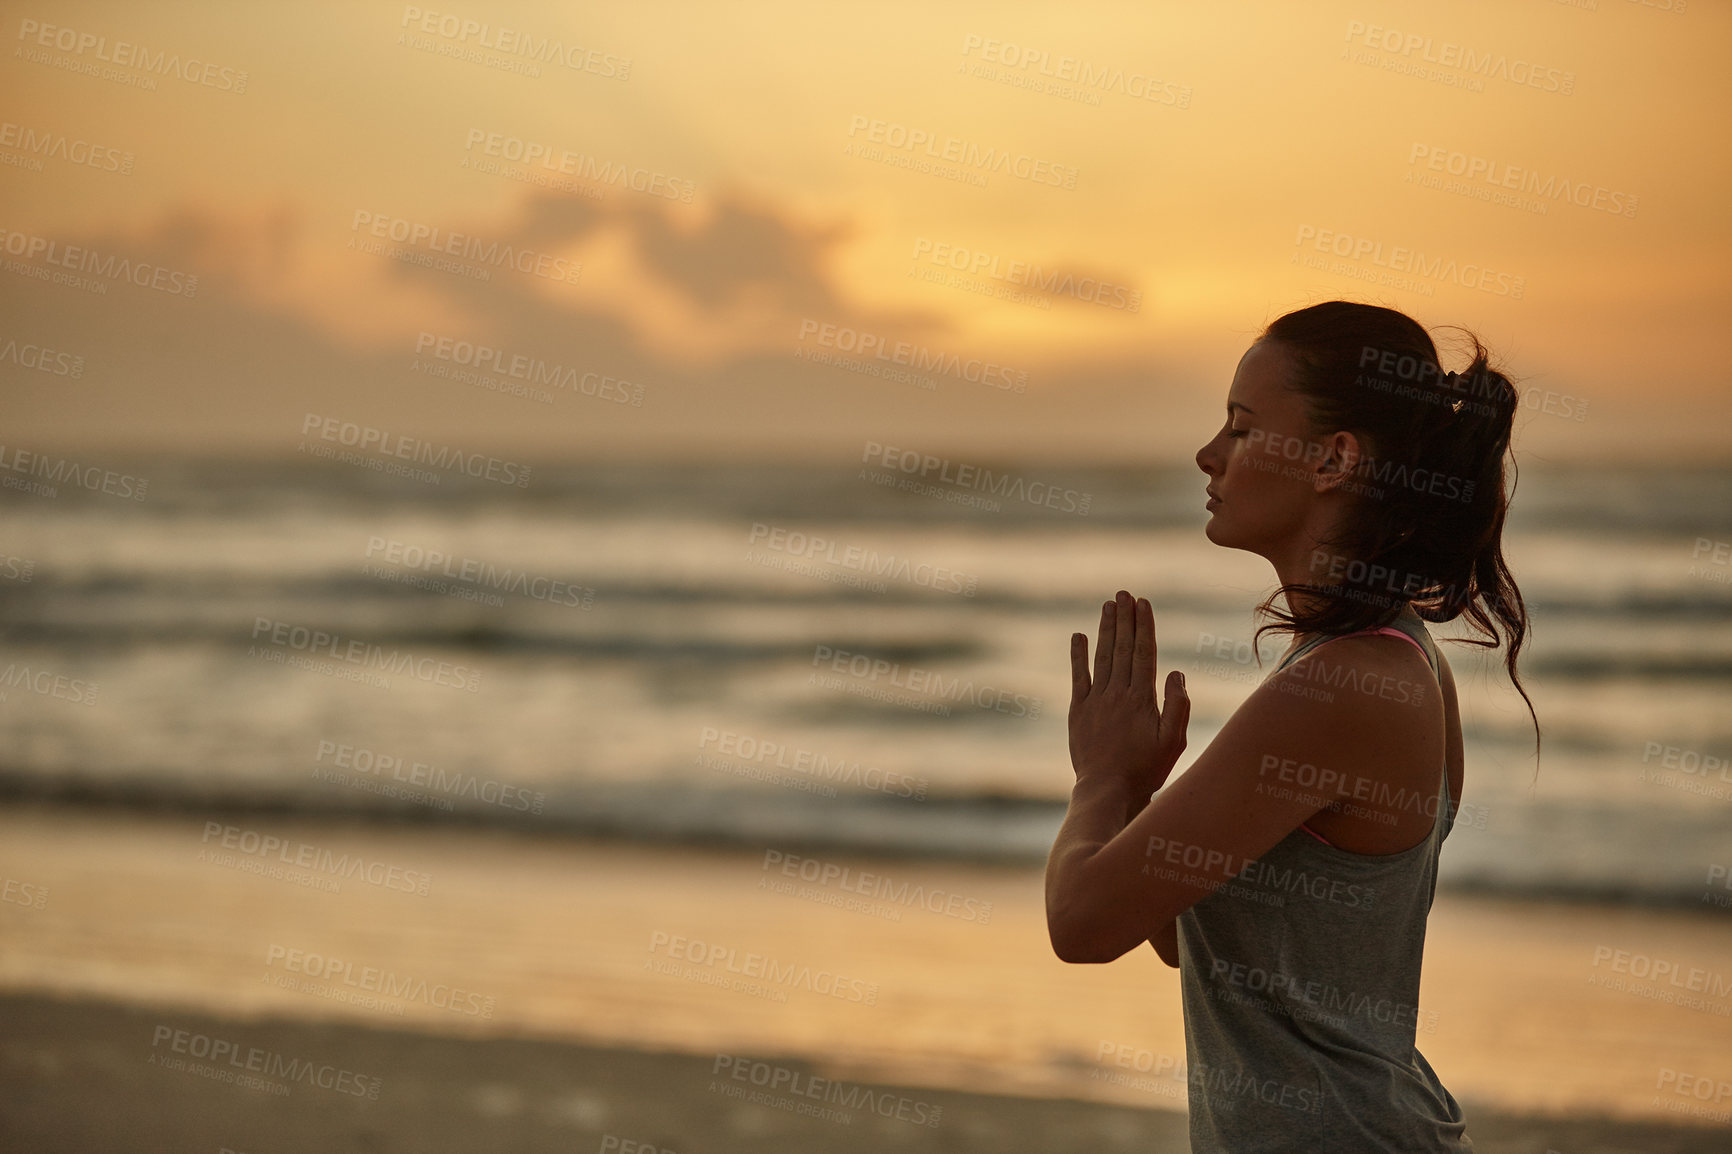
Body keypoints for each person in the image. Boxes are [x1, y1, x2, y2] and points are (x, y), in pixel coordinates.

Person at [1044, 300, 1538, 1151]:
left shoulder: (1343, 686)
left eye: (1241, 427)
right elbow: (1182, 938)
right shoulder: (1381, 660)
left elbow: (1083, 924)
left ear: (1333, 459)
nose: (1208, 454)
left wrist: (1103, 780)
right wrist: (1143, 798)